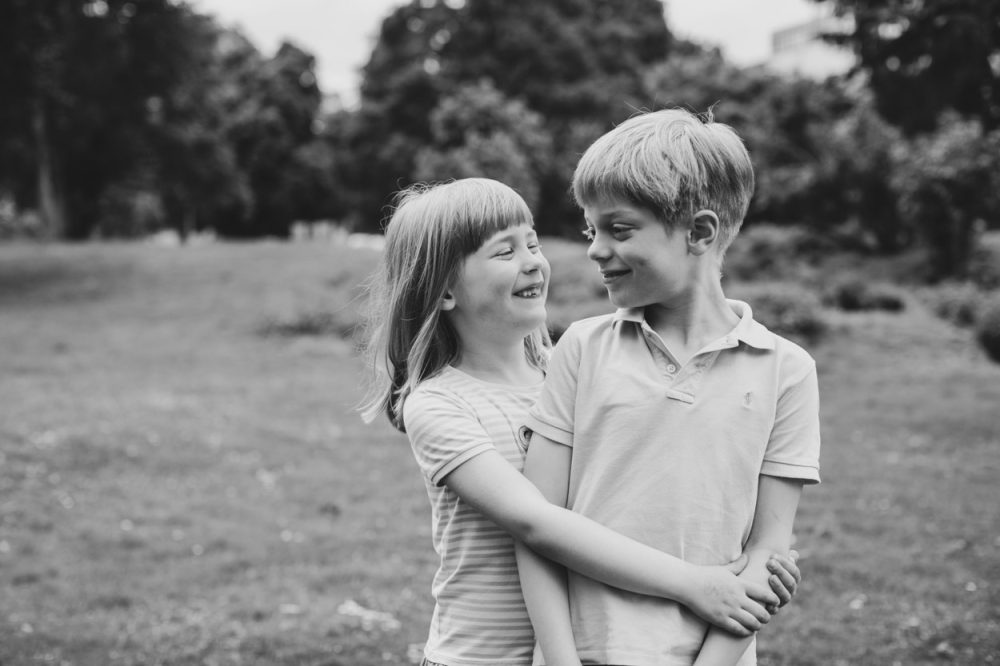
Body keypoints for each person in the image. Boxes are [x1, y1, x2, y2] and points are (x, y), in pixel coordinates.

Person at [359, 178, 801, 666]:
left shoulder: (573, 368)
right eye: (504, 252)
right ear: (444, 290)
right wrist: (695, 584)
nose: (533, 261)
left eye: (532, 242)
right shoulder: (439, 405)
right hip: (481, 656)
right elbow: (536, 520)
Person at [516, 109, 822, 666]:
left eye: (619, 228)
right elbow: (537, 527)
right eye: (591, 230)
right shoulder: (581, 349)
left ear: (700, 232)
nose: (594, 249)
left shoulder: (788, 370)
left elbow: (769, 557)